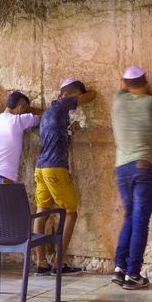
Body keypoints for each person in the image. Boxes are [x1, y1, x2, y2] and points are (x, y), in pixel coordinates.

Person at [33, 77, 96, 276]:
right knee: (71, 212)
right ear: (67, 95)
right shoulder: (61, 103)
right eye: (73, 98)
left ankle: (41, 262)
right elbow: (92, 95)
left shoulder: (51, 112)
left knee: (41, 213)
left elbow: (59, 142)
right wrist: (80, 95)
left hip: (41, 168)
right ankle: (58, 262)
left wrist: (71, 132)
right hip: (55, 169)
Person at [110, 66, 152, 290]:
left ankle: (119, 267)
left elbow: (124, 90)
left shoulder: (118, 99)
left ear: (124, 84)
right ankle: (133, 273)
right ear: (147, 81)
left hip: (121, 168)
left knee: (130, 217)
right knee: (140, 219)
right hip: (144, 167)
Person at [0, 91, 43, 270]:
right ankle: (18, 253)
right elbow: (41, 115)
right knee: (7, 217)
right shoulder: (19, 120)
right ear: (21, 107)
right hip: (3, 176)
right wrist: (30, 110)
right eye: (24, 108)